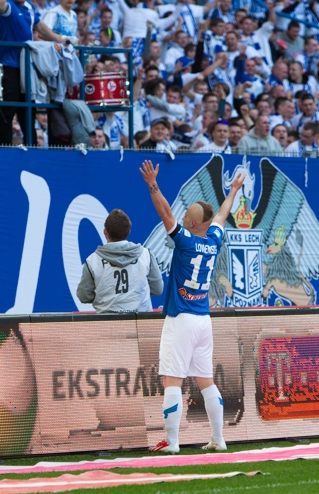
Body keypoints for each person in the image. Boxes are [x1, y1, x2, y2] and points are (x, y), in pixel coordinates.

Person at [139, 159, 244, 454]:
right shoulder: (213, 240)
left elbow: (165, 212)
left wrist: (152, 185)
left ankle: (171, 442)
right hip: (203, 319)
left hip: (182, 316)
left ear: (194, 223)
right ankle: (218, 438)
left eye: (188, 215)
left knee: (172, 378)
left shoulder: (185, 241)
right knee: (206, 380)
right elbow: (221, 217)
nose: (183, 217)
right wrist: (233, 191)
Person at [0, 0, 59, 146]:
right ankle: (4, 148)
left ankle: (30, 146)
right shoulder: (8, 6)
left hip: (26, 66)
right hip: (8, 65)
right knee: (7, 110)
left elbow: (39, 25)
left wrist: (59, 39)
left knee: (28, 110)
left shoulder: (29, 6)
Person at [76, 209, 164, 313]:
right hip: (142, 323)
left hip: (107, 324)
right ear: (129, 231)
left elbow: (84, 296)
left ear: (105, 231)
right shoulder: (146, 255)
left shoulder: (92, 261)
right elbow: (158, 290)